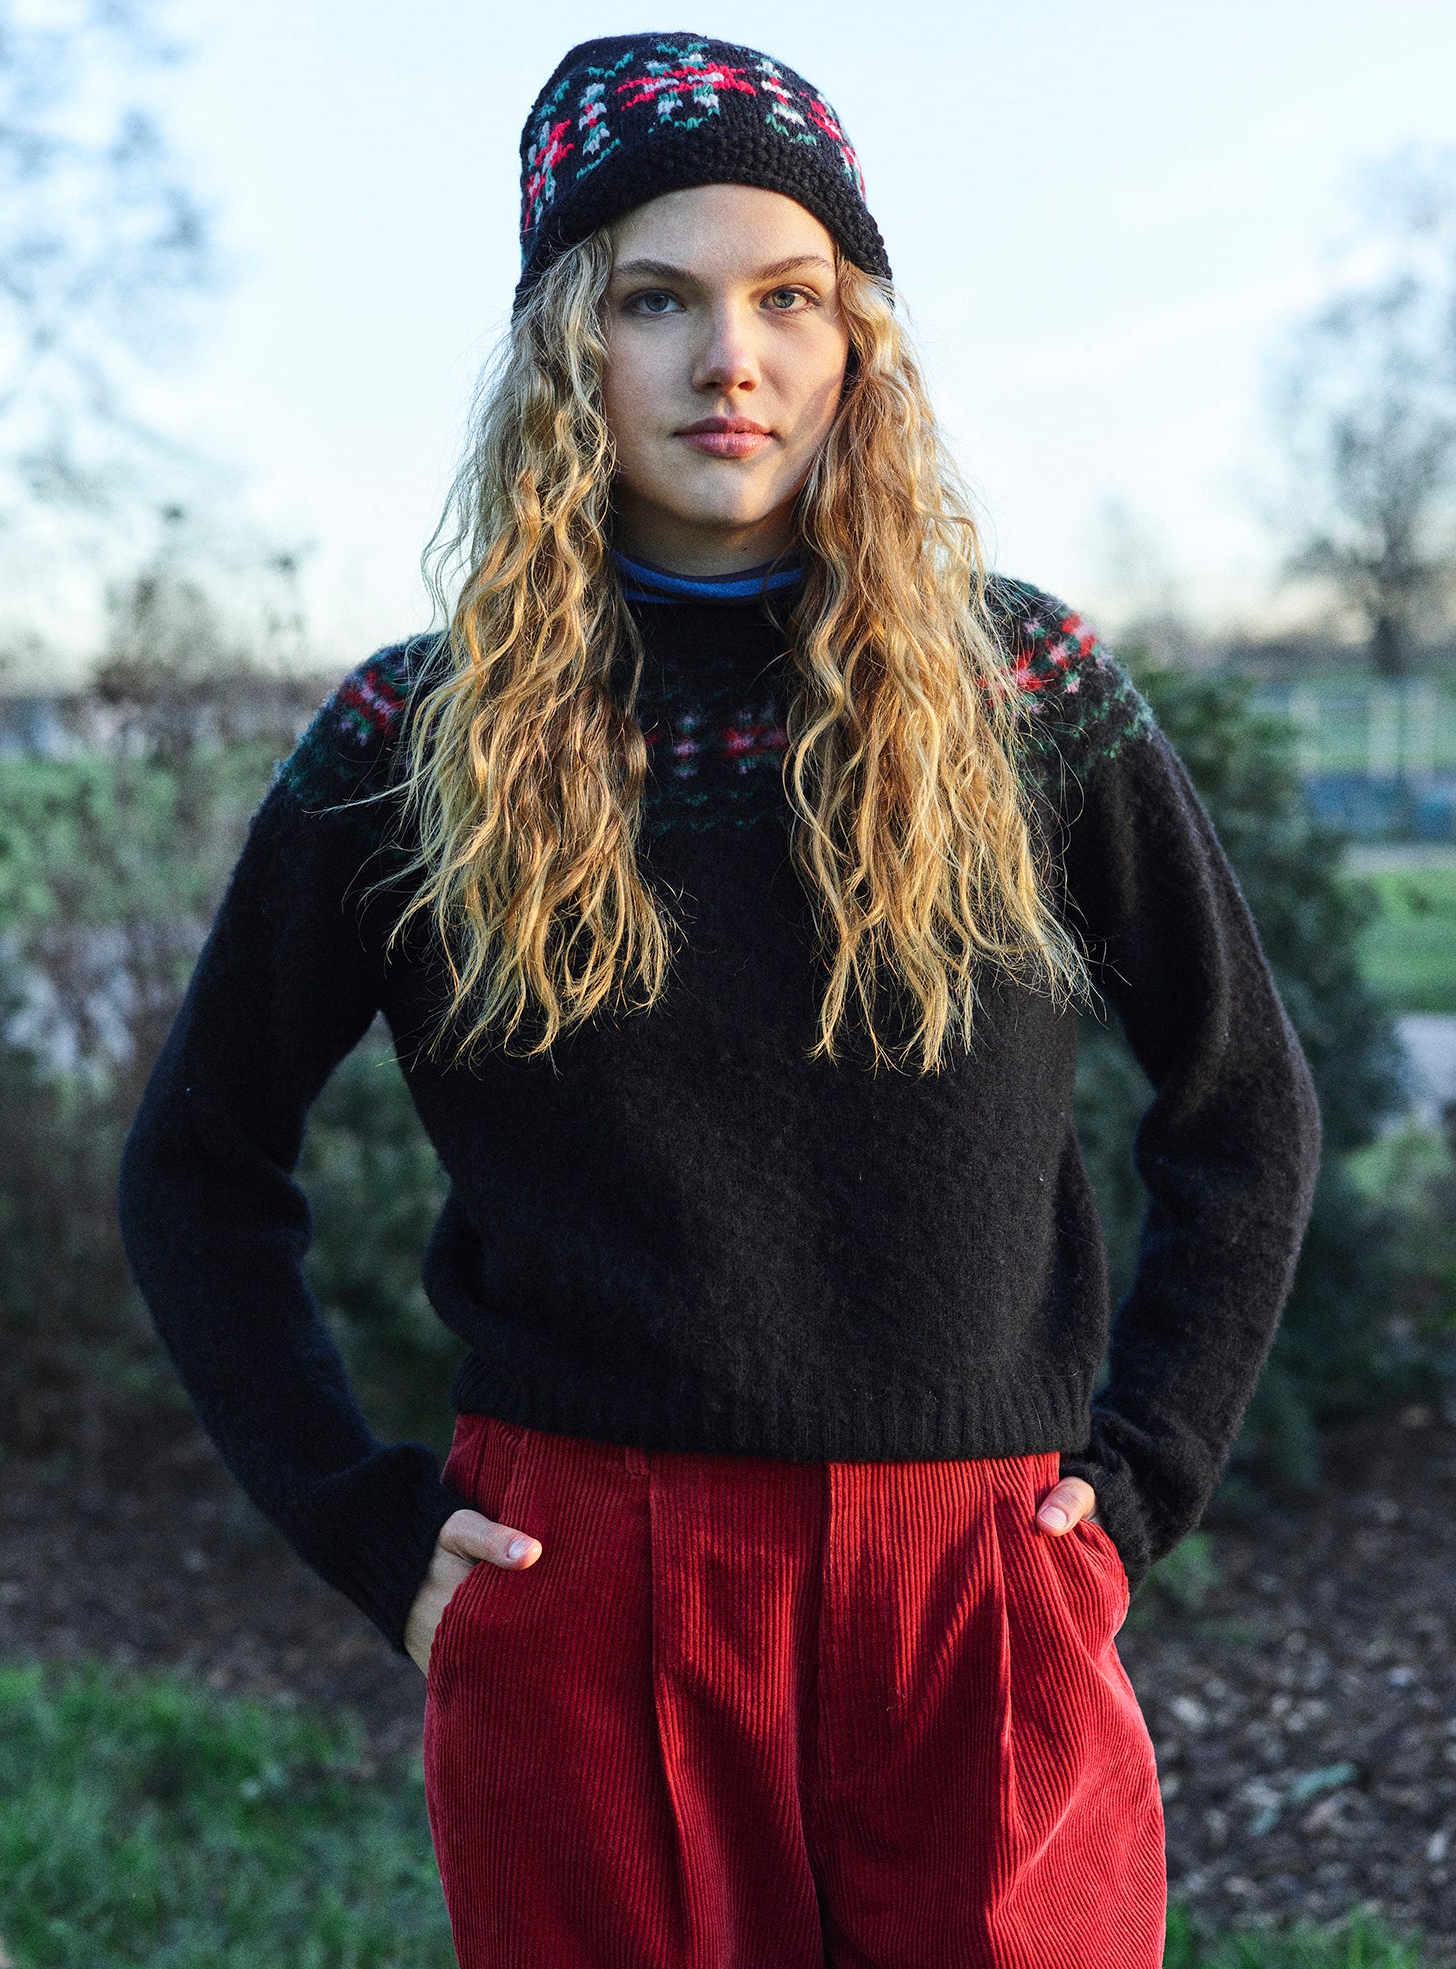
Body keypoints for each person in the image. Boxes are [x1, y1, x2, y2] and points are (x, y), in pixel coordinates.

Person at [118, 30, 1322, 1969]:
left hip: (979, 1581)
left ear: (858, 344)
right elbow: (196, 1163)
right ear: (565, 350)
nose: (726, 360)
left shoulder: (1023, 689)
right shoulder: (413, 737)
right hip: (585, 1589)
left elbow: (1240, 1107)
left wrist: (1142, 1474)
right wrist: (354, 1515)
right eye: (653, 299)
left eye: (786, 298)